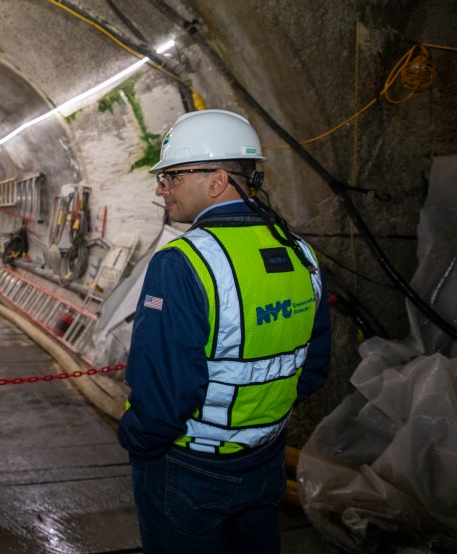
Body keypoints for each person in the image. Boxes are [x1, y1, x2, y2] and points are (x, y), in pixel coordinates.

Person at [117, 109, 330, 554]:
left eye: (171, 176)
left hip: (190, 467)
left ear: (216, 181)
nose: (161, 188)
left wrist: (137, 441)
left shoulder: (182, 262)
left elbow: (163, 391)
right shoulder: (300, 252)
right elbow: (313, 368)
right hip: (267, 460)